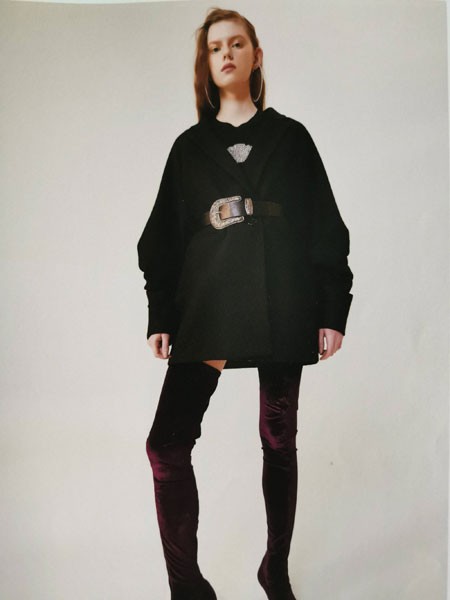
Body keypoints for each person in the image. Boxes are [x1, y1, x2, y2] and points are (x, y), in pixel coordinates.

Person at [137, 7, 353, 600]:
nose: (226, 54)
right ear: (205, 64)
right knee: (166, 445)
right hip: (208, 303)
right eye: (215, 48)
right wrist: (161, 314)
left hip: (284, 299)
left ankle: (274, 571)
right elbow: (161, 240)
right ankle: (187, 587)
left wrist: (332, 310)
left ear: (256, 56)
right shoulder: (189, 148)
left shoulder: (292, 138)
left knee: (278, 441)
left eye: (237, 44)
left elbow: (325, 227)